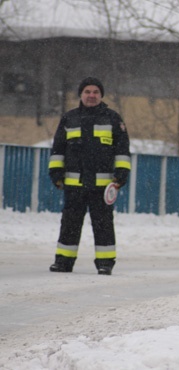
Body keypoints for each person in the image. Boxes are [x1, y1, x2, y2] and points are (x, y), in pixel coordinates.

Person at [48, 77, 131, 275]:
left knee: (103, 225)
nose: (91, 95)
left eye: (95, 92)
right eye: (87, 92)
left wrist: (121, 174)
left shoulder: (113, 119)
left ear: (101, 95)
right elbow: (58, 149)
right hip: (74, 184)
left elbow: (122, 150)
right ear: (81, 95)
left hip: (103, 187)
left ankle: (105, 263)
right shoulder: (69, 118)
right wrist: (56, 173)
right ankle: (63, 262)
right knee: (70, 223)